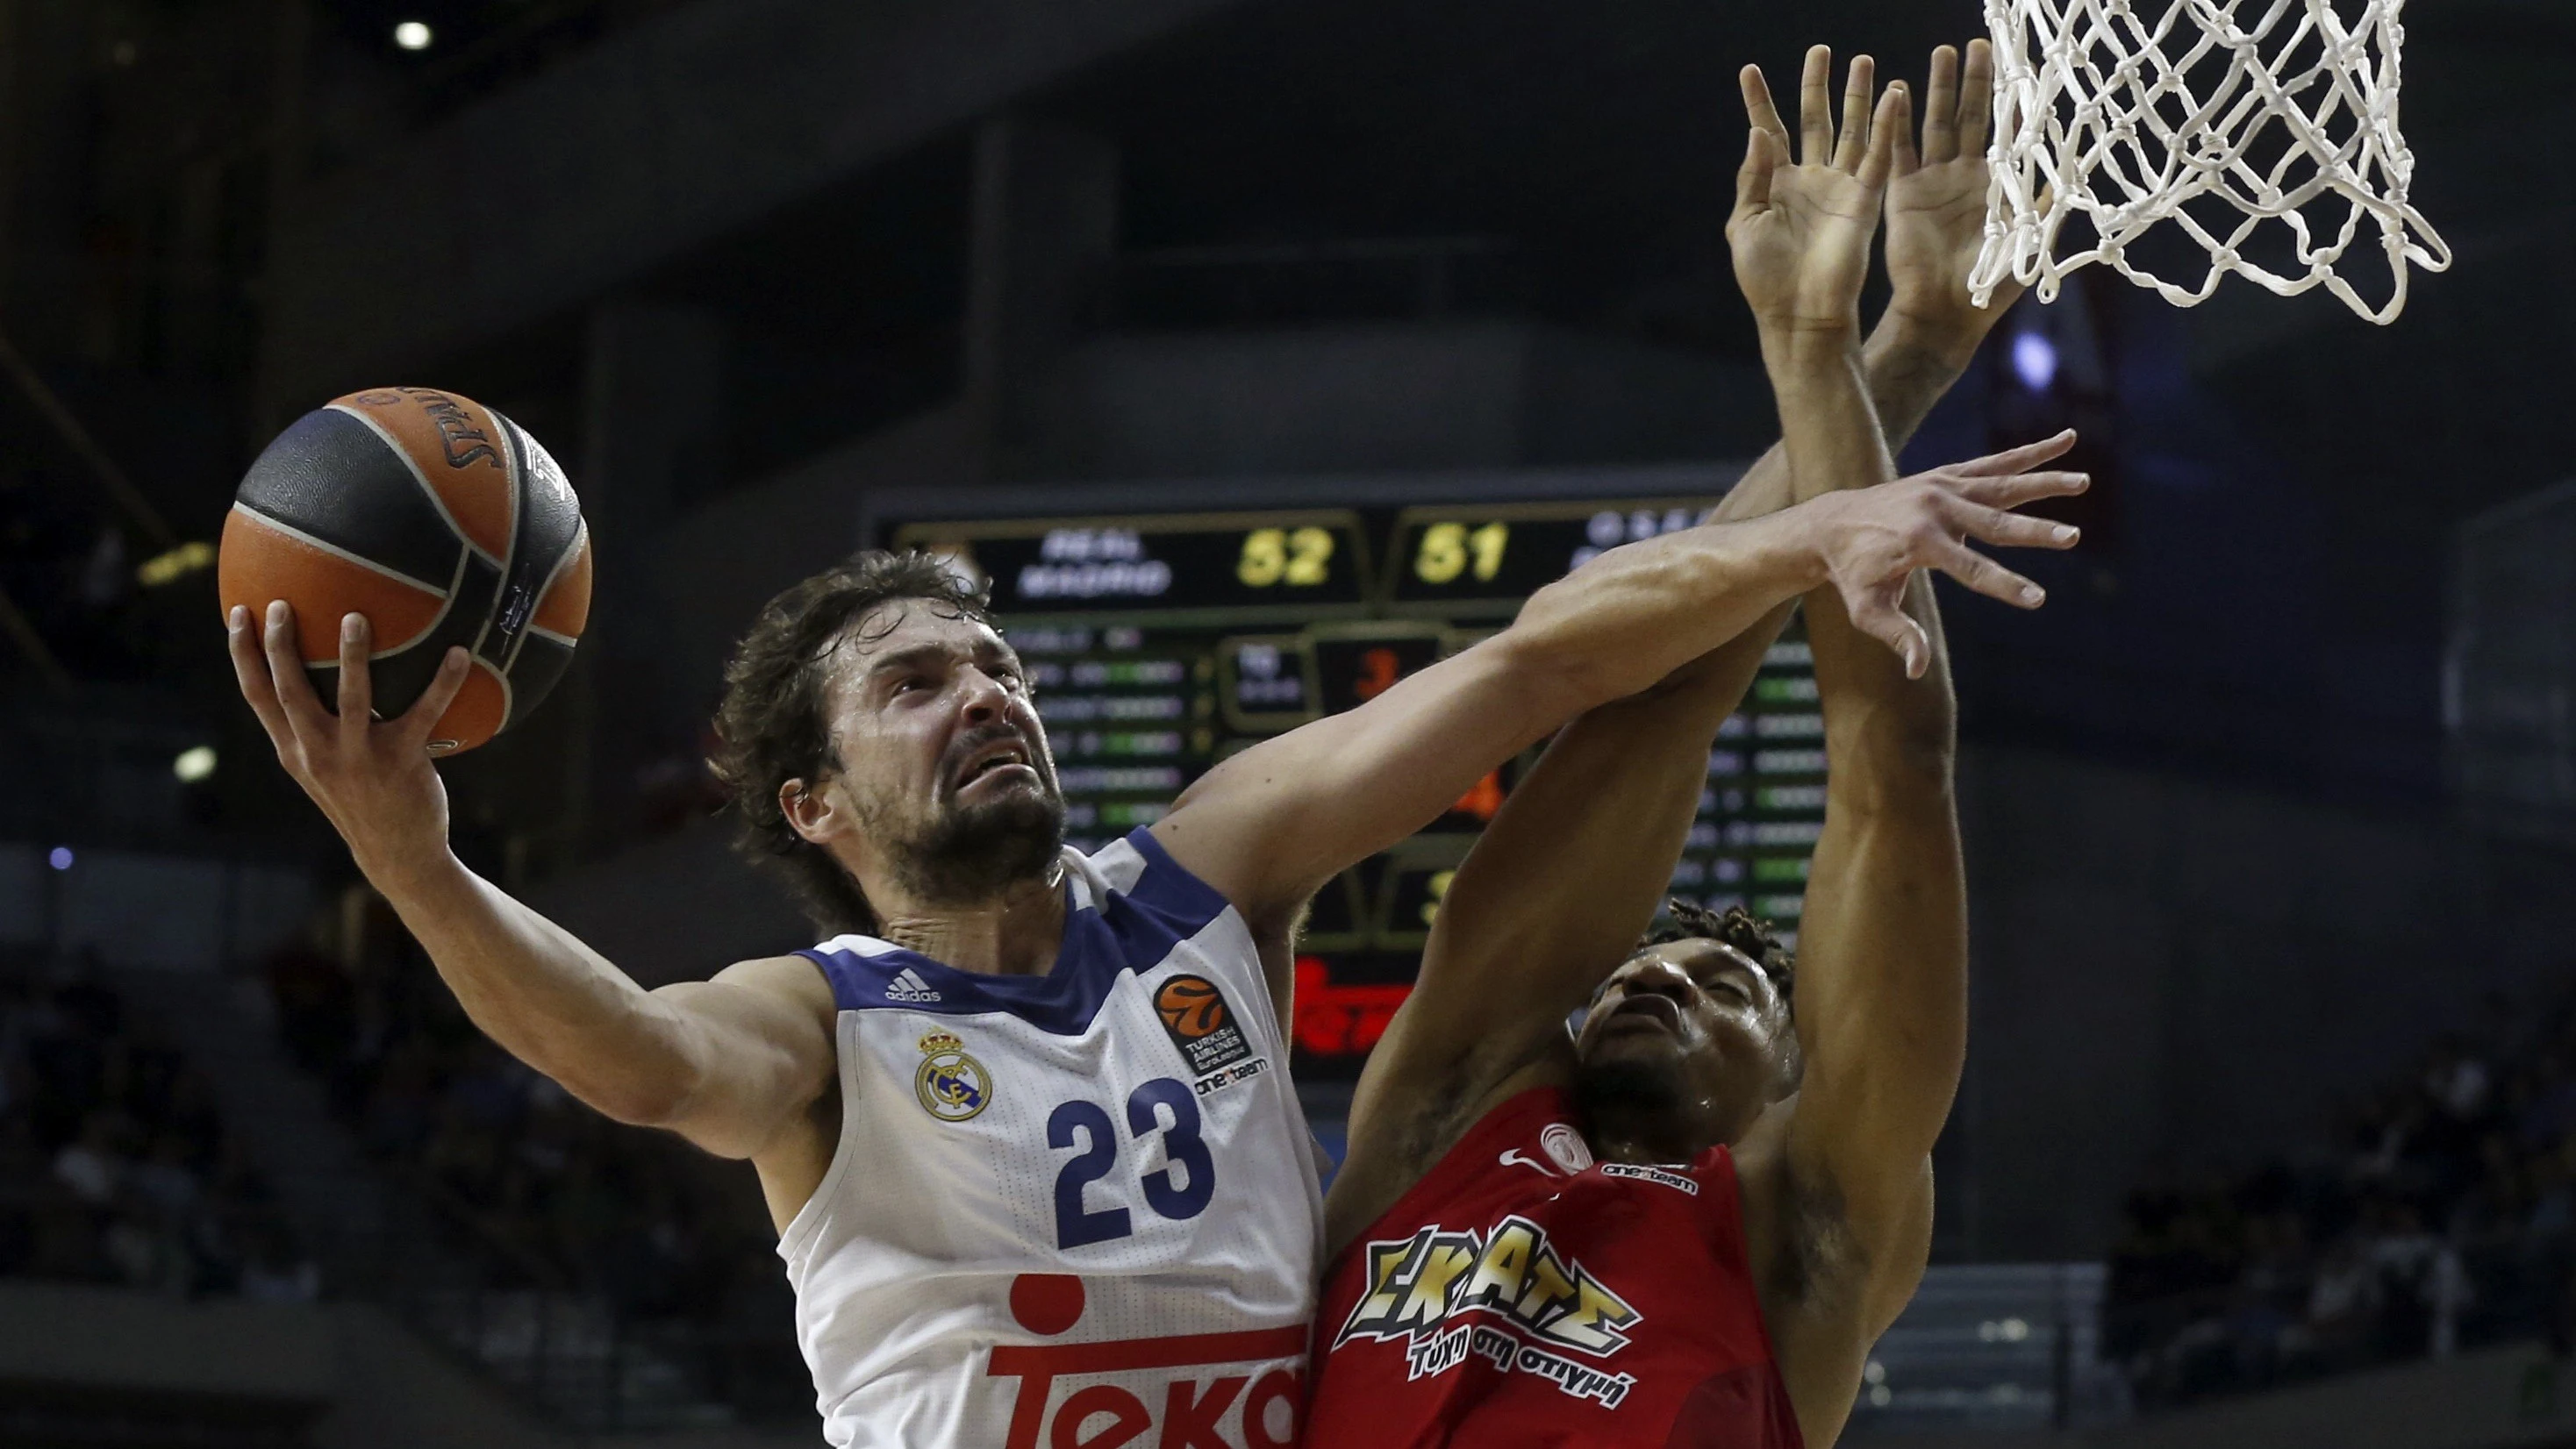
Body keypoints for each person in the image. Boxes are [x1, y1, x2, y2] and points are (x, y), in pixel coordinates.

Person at [225, 57, 2079, 1449]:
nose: (988, 695)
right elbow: (627, 1059)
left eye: (998, 661)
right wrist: (413, 860)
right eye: (916, 683)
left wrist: (1862, 388)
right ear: (813, 802)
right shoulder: (820, 1024)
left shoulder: (1203, 882)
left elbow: (1552, 674)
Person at [1307, 42, 2056, 1448]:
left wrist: (1836, 355)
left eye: (1721, 986)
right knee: (1637, 712)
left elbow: (1893, 779)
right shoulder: (1444, 1127)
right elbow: (1652, 693)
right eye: (1643, 970)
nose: (1652, 981)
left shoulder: (1803, 1230)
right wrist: (1859, 355)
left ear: (1789, 1074)